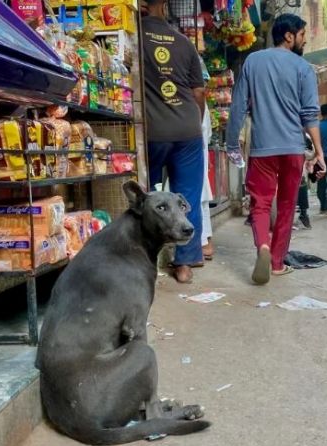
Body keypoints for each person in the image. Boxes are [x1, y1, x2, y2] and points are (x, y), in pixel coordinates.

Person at [226, 13, 325, 285]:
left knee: (260, 204)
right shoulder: (304, 68)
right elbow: (310, 115)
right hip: (293, 148)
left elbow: (238, 105)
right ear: (289, 36)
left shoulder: (253, 61)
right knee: (286, 205)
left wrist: (232, 142)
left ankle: (263, 248)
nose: (304, 40)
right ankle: (278, 264)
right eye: (302, 35)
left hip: (262, 150)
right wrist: (319, 152)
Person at [142, 0, 205, 284]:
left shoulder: (134, 38)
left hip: (152, 133)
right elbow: (199, 92)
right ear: (165, 5)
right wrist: (195, 122)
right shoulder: (184, 43)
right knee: (187, 196)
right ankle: (184, 265)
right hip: (187, 131)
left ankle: (146, 262)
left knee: (149, 198)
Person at [198, 57, 214, 261]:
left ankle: (203, 242)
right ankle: (205, 241)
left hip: (195, 152)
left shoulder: (197, 102)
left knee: (198, 199)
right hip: (198, 152)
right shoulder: (201, 103)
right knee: (200, 200)